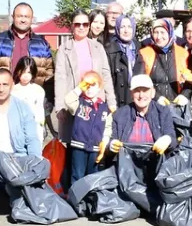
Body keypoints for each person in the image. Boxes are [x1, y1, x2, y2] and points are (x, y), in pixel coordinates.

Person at [54, 10, 116, 147]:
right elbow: (60, 78)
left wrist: (111, 101)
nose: (81, 27)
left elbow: (105, 75)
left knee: (95, 145)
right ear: (72, 26)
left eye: (85, 24)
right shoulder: (64, 49)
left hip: (95, 105)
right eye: (77, 24)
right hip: (74, 105)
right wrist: (60, 107)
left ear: (89, 26)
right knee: (73, 147)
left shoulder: (98, 47)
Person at [0, 2, 54, 88]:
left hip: (33, 97)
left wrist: (45, 96)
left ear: (32, 18)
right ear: (13, 17)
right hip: (4, 96)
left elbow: (49, 72)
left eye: (26, 17)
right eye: (19, 16)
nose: (23, 20)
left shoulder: (42, 45)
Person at [63, 71, 113, 182]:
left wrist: (104, 143)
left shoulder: (105, 108)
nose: (89, 89)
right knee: (77, 174)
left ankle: (91, 198)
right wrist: (79, 89)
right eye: (87, 85)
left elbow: (108, 128)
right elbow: (68, 100)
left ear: (99, 87)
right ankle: (76, 198)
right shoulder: (79, 103)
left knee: (93, 176)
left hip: (95, 148)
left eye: (93, 85)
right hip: (79, 145)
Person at [109, 75, 176, 155]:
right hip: (127, 164)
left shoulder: (163, 112)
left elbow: (172, 139)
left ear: (153, 93)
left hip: (155, 162)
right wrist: (111, 144)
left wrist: (167, 139)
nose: (141, 95)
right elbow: (111, 138)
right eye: (137, 91)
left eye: (145, 90)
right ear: (131, 94)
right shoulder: (120, 114)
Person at [137, 18, 192, 105]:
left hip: (177, 105)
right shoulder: (145, 53)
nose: (159, 37)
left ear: (170, 33)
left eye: (163, 32)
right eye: (156, 32)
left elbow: (190, 80)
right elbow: (140, 81)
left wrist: (185, 95)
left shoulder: (183, 53)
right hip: (152, 105)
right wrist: (157, 97)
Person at [105, 15, 141, 107]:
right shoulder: (109, 50)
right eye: (122, 27)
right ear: (117, 29)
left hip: (138, 100)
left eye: (129, 27)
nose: (126, 30)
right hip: (117, 102)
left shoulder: (140, 49)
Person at [11, 57, 47, 144]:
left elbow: (40, 113)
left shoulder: (38, 90)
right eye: (23, 72)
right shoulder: (13, 90)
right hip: (17, 131)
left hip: (34, 130)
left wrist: (40, 132)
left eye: (29, 72)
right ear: (18, 72)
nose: (26, 76)